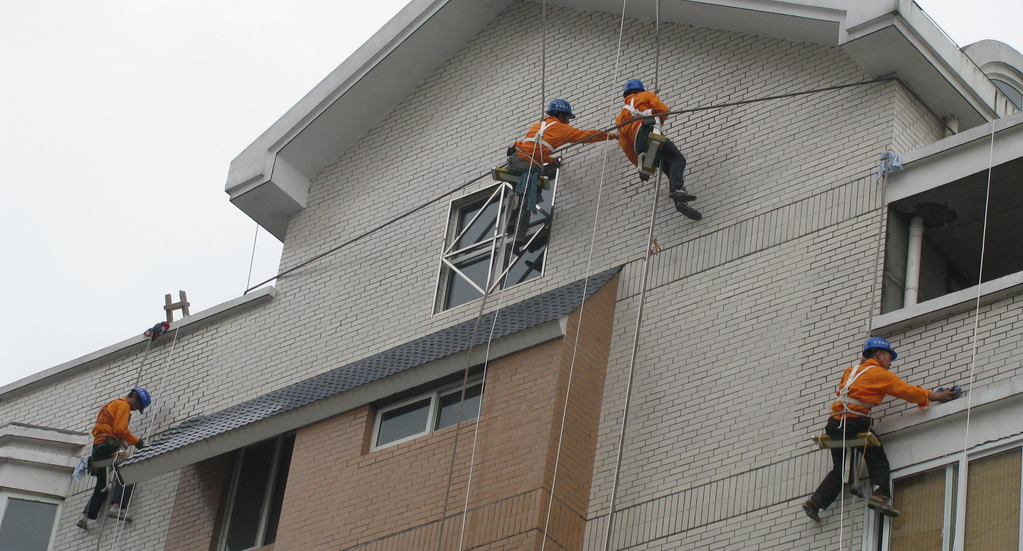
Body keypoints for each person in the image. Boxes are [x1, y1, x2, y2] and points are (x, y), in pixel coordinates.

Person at [802, 338, 953, 521]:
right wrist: (937, 396)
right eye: (889, 357)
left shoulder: (851, 371)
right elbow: (907, 391)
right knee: (878, 460)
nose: (890, 362)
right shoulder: (880, 374)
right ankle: (879, 496)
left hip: (835, 424)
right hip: (854, 422)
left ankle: (815, 502)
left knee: (841, 470)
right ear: (879, 354)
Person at [506, 99, 616, 239]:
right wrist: (612, 135)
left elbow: (534, 151)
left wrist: (551, 160)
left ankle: (510, 223)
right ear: (562, 115)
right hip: (527, 164)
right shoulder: (562, 129)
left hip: (515, 159)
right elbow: (587, 136)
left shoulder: (537, 126)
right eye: (568, 118)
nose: (568, 122)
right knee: (527, 198)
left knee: (517, 191)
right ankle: (519, 238)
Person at [616, 79, 701, 221]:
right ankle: (677, 190)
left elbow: (625, 145)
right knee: (678, 159)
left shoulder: (620, 118)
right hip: (649, 133)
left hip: (640, 145)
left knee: (670, 168)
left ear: (626, 95)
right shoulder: (646, 95)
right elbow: (664, 111)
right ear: (640, 90)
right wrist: (657, 119)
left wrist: (640, 166)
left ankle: (680, 202)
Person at [77, 388, 151, 528]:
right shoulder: (123, 405)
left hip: (98, 448)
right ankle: (116, 507)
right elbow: (120, 430)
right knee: (129, 470)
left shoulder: (111, 405)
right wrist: (136, 442)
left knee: (102, 483)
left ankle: (84, 516)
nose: (135, 409)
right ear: (134, 396)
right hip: (108, 445)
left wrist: (122, 442)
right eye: (137, 406)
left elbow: (110, 429)